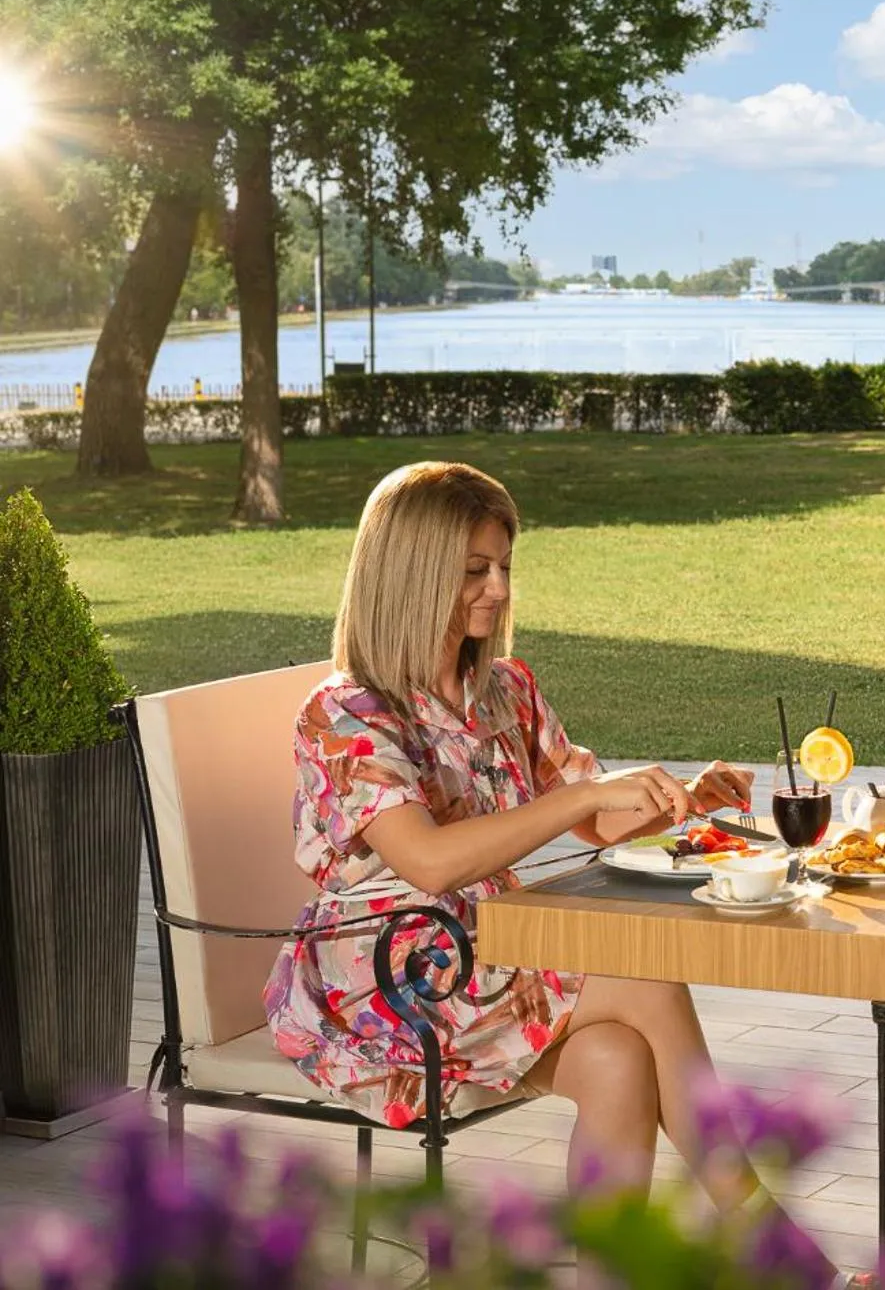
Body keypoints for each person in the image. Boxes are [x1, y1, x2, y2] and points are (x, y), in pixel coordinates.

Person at [263, 461, 774, 1224]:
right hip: (386, 974)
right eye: (474, 570)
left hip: (491, 944)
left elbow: (594, 822)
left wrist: (678, 802)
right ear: (412, 573)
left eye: (503, 565)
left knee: (617, 1060)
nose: (499, 589)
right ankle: (771, 1243)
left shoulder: (506, 689)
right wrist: (585, 792)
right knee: (649, 978)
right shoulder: (344, 714)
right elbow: (430, 861)